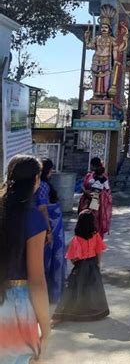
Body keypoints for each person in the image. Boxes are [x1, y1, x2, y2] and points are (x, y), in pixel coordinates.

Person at [0, 155, 50, 363]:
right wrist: (46, 328)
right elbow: (37, 280)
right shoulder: (33, 219)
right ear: (36, 179)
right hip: (15, 308)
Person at [52, 210, 109, 324]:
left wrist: (77, 265)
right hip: (92, 264)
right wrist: (97, 263)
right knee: (93, 289)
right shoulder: (96, 236)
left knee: (73, 289)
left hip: (81, 265)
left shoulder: (76, 239)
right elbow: (99, 251)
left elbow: (73, 257)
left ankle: (62, 314)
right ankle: (95, 312)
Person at [35, 159, 66, 304]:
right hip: (51, 226)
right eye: (51, 169)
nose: (52, 172)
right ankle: (50, 293)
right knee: (51, 258)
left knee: (50, 258)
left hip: (52, 225)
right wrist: (48, 231)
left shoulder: (38, 185)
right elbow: (43, 209)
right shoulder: (43, 185)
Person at [78, 158, 112, 238]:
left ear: (94, 166)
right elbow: (83, 186)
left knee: (94, 222)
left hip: (97, 203)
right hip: (86, 202)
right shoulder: (89, 175)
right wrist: (86, 191)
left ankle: (95, 241)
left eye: (92, 165)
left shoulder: (103, 177)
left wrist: (97, 195)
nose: (91, 167)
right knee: (85, 220)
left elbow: (107, 191)